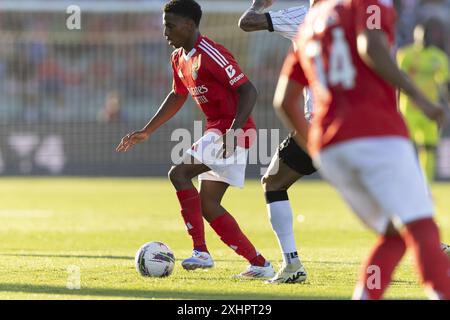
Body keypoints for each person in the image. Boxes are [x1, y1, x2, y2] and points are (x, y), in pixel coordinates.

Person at [274, 0, 450, 299]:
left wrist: (316, 149)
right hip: (376, 132)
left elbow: (284, 101)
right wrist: (420, 98)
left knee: (394, 234)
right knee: (422, 226)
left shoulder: (310, 23)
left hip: (330, 146)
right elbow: (370, 46)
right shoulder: (365, 2)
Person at [116, 0, 275, 279]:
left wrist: (233, 131)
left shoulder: (211, 53)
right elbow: (178, 95)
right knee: (207, 205)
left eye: (170, 26)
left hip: (232, 131)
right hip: (218, 131)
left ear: (189, 25)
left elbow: (249, 91)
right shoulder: (179, 57)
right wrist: (147, 130)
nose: (165, 32)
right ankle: (260, 264)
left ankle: (201, 251)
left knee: (179, 174)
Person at [239, 0, 312, 284]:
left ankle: (292, 265)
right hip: (358, 120)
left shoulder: (306, 15)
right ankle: (428, 242)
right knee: (369, 189)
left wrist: (259, 4)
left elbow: (246, 22)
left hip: (320, 122)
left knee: (273, 182)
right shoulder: (356, 17)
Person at [398, 18, 449, 184]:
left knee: (429, 148)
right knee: (407, 147)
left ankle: (426, 185)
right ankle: (407, 182)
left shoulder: (439, 57)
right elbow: (398, 82)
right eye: (421, 35)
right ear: (415, 35)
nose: (424, 38)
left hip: (430, 110)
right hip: (408, 108)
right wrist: (395, 106)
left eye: (427, 35)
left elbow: (446, 84)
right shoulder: (405, 55)